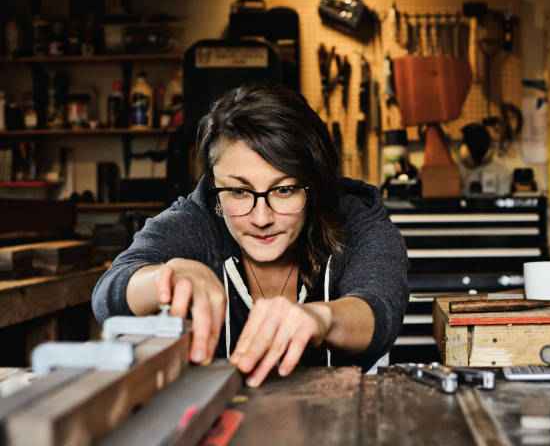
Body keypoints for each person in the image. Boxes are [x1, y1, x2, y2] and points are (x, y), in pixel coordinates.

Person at [92, 84, 409, 387]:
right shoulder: (198, 219)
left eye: (284, 190)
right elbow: (107, 296)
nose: (261, 219)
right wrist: (164, 277)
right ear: (214, 183)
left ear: (315, 183)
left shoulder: (356, 218)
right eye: (239, 191)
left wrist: (321, 319)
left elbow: (380, 308)